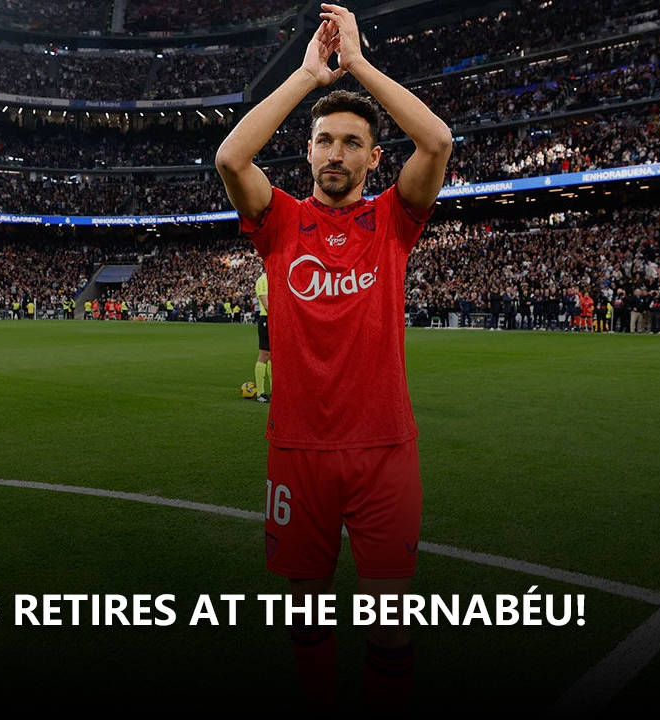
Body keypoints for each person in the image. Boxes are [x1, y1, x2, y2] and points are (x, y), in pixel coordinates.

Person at [215, 4, 452, 712]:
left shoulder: (392, 222)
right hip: (297, 451)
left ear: (374, 158)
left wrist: (359, 68)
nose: (337, 153)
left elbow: (436, 140)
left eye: (353, 143)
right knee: (307, 619)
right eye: (325, 141)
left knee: (387, 631)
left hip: (384, 451)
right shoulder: (281, 221)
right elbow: (231, 158)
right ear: (309, 153)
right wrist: (308, 75)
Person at [253, 271, 272, 402]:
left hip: (275, 320)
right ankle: (260, 392)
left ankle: (274, 390)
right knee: (265, 354)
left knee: (273, 355)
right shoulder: (263, 280)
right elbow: (267, 304)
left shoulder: (275, 278)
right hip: (266, 319)